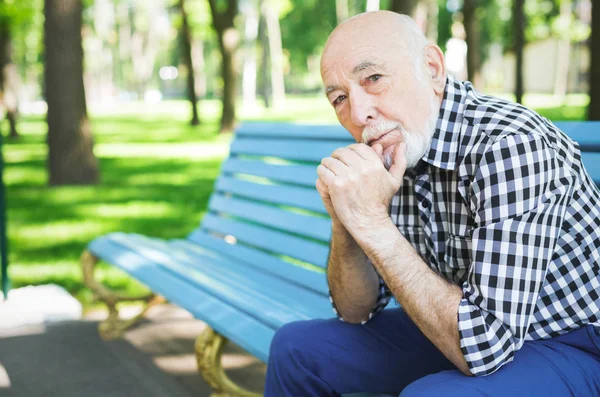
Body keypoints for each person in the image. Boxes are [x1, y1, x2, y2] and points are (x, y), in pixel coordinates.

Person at [264, 10, 600, 397]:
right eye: (339, 98)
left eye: (373, 79)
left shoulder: (509, 145)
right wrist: (347, 218)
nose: (358, 113)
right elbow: (354, 311)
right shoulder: (398, 147)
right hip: (458, 325)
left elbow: (484, 345)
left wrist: (373, 222)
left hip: (572, 342)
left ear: (432, 69)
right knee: (296, 350)